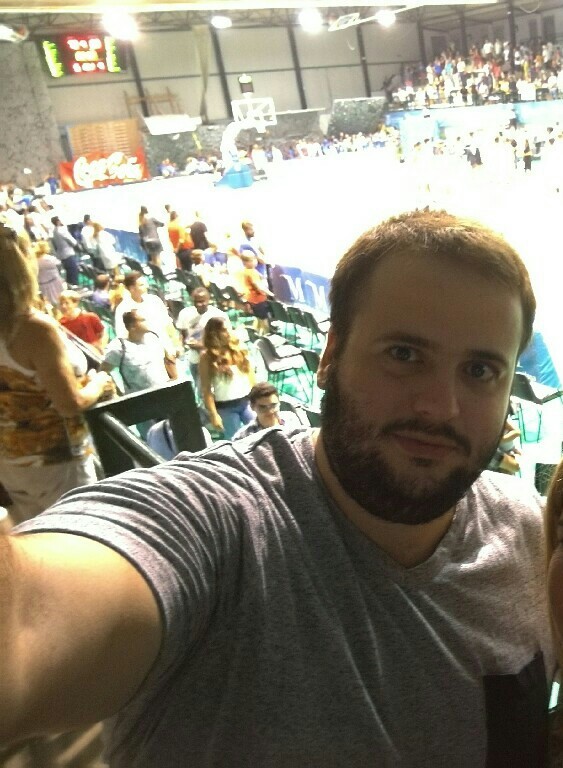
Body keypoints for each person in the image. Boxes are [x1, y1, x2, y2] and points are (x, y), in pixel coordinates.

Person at [0, 210, 553, 766]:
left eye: (480, 371)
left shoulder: (533, 532)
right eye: (404, 355)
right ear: (330, 356)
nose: (440, 407)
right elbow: (23, 631)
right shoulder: (216, 523)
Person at [0, 224, 113, 524]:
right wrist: (99, 383)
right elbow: (70, 403)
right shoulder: (33, 328)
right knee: (81, 534)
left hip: (11, 464)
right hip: (58, 464)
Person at [199, 316, 255, 438]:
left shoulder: (239, 349)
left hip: (247, 402)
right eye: (224, 330)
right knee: (235, 440)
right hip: (225, 407)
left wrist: (256, 397)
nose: (229, 333)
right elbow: (206, 389)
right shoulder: (206, 358)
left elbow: (251, 377)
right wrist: (214, 414)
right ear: (214, 334)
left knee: (260, 433)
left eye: (230, 329)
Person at [101, 310, 173, 394]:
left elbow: (168, 360)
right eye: (143, 320)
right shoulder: (118, 347)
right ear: (132, 326)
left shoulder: (154, 338)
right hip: (140, 398)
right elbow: (103, 372)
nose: (147, 322)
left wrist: (175, 380)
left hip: (165, 393)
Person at [175, 287, 230, 390]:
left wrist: (203, 346)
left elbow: (225, 339)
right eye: (196, 302)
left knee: (217, 389)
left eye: (202, 301)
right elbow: (183, 334)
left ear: (208, 300)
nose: (199, 304)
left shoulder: (218, 315)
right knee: (201, 390)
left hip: (214, 360)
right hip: (195, 360)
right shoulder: (185, 314)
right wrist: (182, 345)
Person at [232, 381, 305, 439]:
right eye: (263, 407)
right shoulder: (243, 437)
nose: (270, 411)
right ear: (252, 407)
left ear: (279, 403)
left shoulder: (291, 420)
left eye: (273, 405)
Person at [51, 216, 80, 286]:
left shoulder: (54, 231)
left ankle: (70, 287)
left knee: (68, 273)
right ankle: (75, 287)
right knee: (73, 272)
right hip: (68, 254)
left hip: (61, 255)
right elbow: (72, 241)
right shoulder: (62, 230)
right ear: (58, 221)